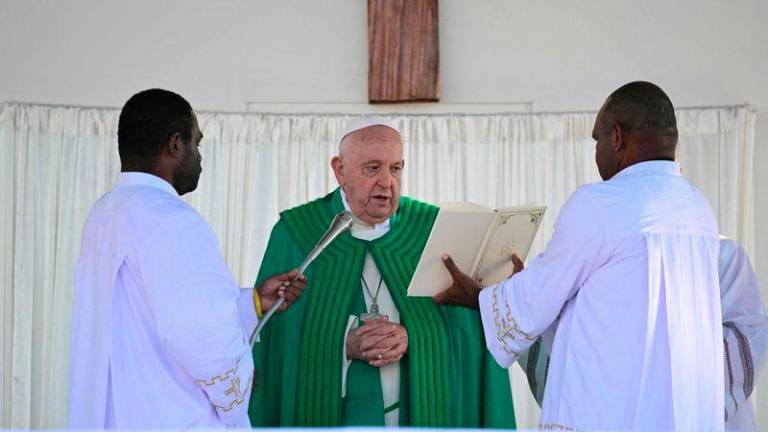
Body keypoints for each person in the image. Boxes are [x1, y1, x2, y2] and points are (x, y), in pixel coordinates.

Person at [436, 81, 723, 430]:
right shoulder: (697, 208)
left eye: (597, 138)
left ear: (617, 136)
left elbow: (537, 300)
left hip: (611, 411)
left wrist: (479, 298)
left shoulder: (600, 203)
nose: (597, 150)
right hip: (681, 411)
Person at [248, 116, 516, 427]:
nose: (387, 182)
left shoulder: (431, 230)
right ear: (340, 170)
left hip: (419, 415)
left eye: (396, 168)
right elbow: (271, 340)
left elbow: (471, 335)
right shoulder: (297, 233)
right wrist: (341, 343)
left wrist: (412, 336)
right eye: (373, 168)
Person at [68, 89, 306, 428]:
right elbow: (202, 334)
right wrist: (237, 384)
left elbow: (146, 316)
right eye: (197, 143)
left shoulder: (104, 213)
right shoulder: (171, 219)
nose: (199, 157)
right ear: (175, 144)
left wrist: (252, 302)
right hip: (170, 416)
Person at [518, 237, 768, 430]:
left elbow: (746, 339)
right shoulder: (593, 263)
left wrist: (648, 389)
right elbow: (565, 341)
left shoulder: (719, 255)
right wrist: (517, 294)